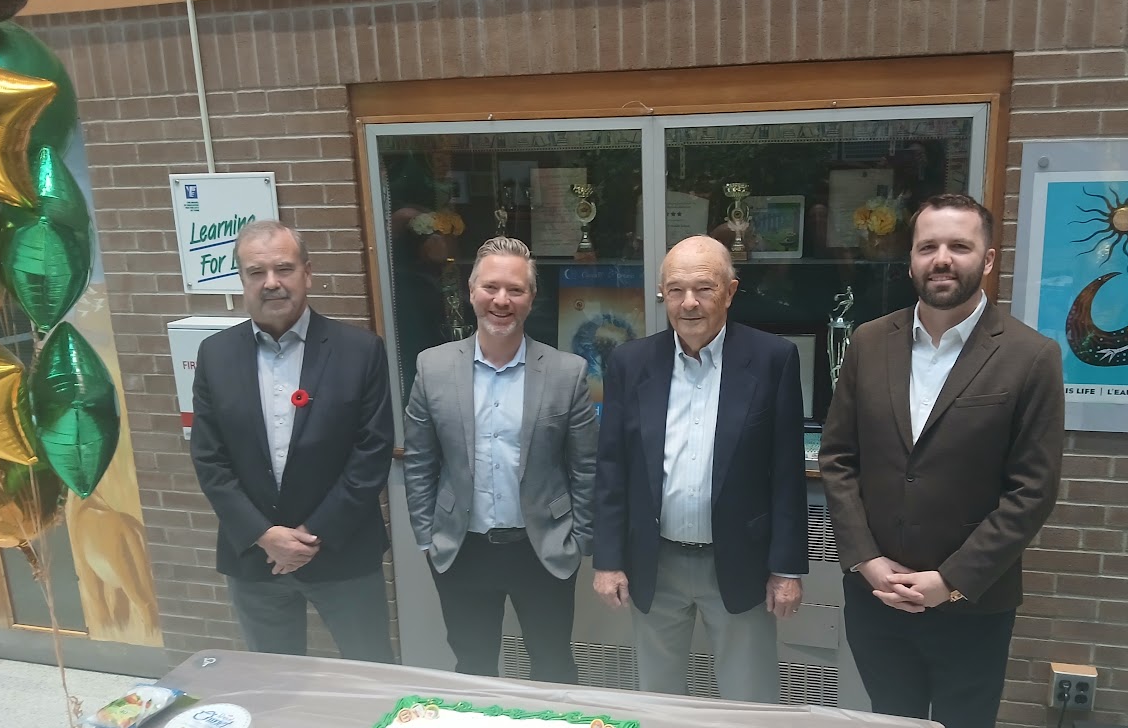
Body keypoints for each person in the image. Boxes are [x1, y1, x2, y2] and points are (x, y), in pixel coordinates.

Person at [818, 193, 1064, 728]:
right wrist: (865, 560)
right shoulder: (868, 343)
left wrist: (948, 580)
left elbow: (1031, 491)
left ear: (988, 259)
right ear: (911, 260)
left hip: (972, 608)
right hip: (878, 600)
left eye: (959, 246)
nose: (942, 259)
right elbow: (839, 459)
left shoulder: (1031, 357)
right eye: (928, 247)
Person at [592, 235, 808, 703]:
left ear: (730, 292)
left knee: (748, 698)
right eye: (675, 290)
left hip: (740, 561)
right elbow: (612, 468)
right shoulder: (630, 362)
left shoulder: (772, 359)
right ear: (663, 295)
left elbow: (787, 474)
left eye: (704, 288)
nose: (689, 303)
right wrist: (607, 560)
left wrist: (787, 568)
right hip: (655, 561)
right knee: (658, 699)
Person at [190, 219, 395, 662]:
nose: (271, 283)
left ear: (308, 273)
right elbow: (209, 460)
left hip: (343, 552)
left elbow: (371, 454)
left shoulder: (360, 351)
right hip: (255, 557)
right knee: (272, 680)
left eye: (283, 269)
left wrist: (308, 536)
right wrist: (264, 535)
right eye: (256, 272)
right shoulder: (215, 355)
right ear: (242, 279)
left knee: (371, 673)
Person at [403, 236, 597, 684]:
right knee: (473, 668)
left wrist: (580, 538)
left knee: (553, 666)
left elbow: (586, 467)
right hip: (461, 548)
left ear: (531, 297)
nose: (501, 301)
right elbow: (419, 460)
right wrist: (427, 536)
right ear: (472, 291)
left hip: (542, 548)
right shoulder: (432, 367)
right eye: (490, 287)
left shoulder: (567, 373)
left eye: (515, 289)